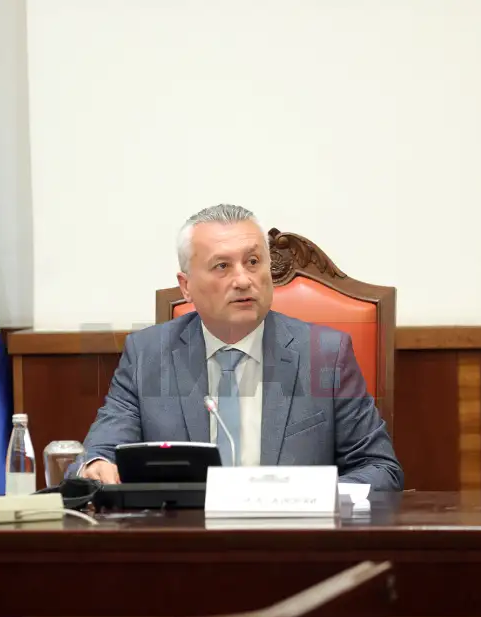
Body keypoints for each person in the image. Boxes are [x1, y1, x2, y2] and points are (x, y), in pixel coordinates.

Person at [74, 203, 403, 491]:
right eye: (222, 266)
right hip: (185, 535)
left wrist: (306, 496)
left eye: (254, 261)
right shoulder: (147, 354)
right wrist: (96, 465)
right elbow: (100, 451)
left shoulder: (325, 354)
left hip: (290, 535)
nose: (244, 280)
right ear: (186, 287)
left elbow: (380, 469)